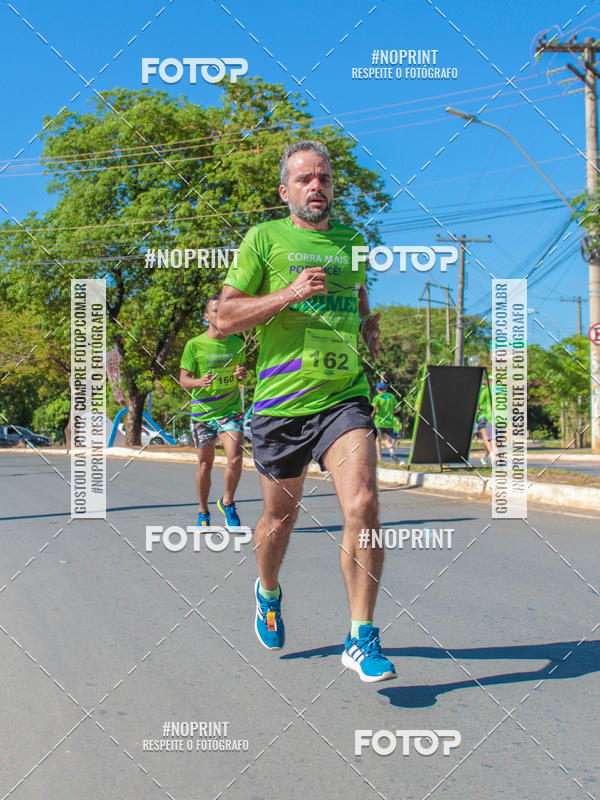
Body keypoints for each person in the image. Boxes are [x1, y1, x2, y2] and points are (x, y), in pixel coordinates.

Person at [217, 140, 396, 683]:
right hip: (280, 405)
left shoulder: (353, 241)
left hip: (343, 397)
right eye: (304, 179)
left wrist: (367, 328)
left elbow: (357, 301)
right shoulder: (263, 239)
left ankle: (361, 636)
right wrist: (289, 294)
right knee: (279, 521)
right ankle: (268, 591)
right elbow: (224, 317)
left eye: (324, 178)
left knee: (363, 502)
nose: (316, 186)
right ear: (285, 190)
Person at [179, 293, 247, 528]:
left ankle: (227, 502)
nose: (221, 314)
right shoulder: (194, 345)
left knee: (235, 457)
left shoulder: (237, 343)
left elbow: (242, 374)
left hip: (230, 410)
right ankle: (203, 511)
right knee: (205, 464)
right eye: (216, 310)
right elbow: (183, 379)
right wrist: (199, 382)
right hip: (203, 413)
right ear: (207, 316)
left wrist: (242, 374)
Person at [371, 382, 399, 463]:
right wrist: (391, 412)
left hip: (379, 422)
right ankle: (392, 453)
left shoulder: (377, 397)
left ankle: (380, 460)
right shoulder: (391, 397)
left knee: (378, 441)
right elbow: (398, 408)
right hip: (389, 423)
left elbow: (373, 408)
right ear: (385, 389)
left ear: (377, 390)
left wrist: (371, 415)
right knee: (388, 441)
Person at [476, 376, 495, 466]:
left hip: (483, 416)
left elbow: (478, 403)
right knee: (490, 438)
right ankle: (486, 456)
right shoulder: (499, 391)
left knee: (486, 437)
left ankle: (492, 453)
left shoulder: (485, 390)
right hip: (494, 417)